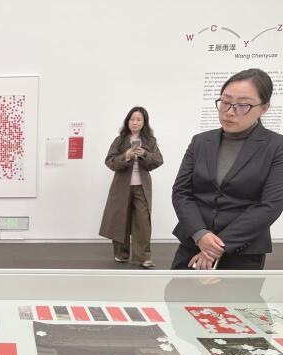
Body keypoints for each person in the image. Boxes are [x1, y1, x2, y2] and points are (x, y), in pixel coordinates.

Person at [172, 68, 283, 270]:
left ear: (264, 108)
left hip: (243, 251)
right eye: (225, 102)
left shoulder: (276, 146)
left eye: (243, 105)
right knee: (179, 291)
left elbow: (271, 205)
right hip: (193, 243)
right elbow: (181, 192)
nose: (230, 112)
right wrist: (200, 235)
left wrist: (215, 247)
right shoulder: (200, 142)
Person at [99, 106, 163, 268]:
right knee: (120, 219)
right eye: (132, 119)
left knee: (143, 222)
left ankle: (143, 257)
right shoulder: (119, 141)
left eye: (139, 119)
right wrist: (126, 156)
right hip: (121, 187)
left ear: (144, 123)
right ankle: (121, 254)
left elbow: (158, 161)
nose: (135, 122)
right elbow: (109, 162)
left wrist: (145, 154)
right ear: (127, 121)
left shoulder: (150, 141)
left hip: (142, 187)